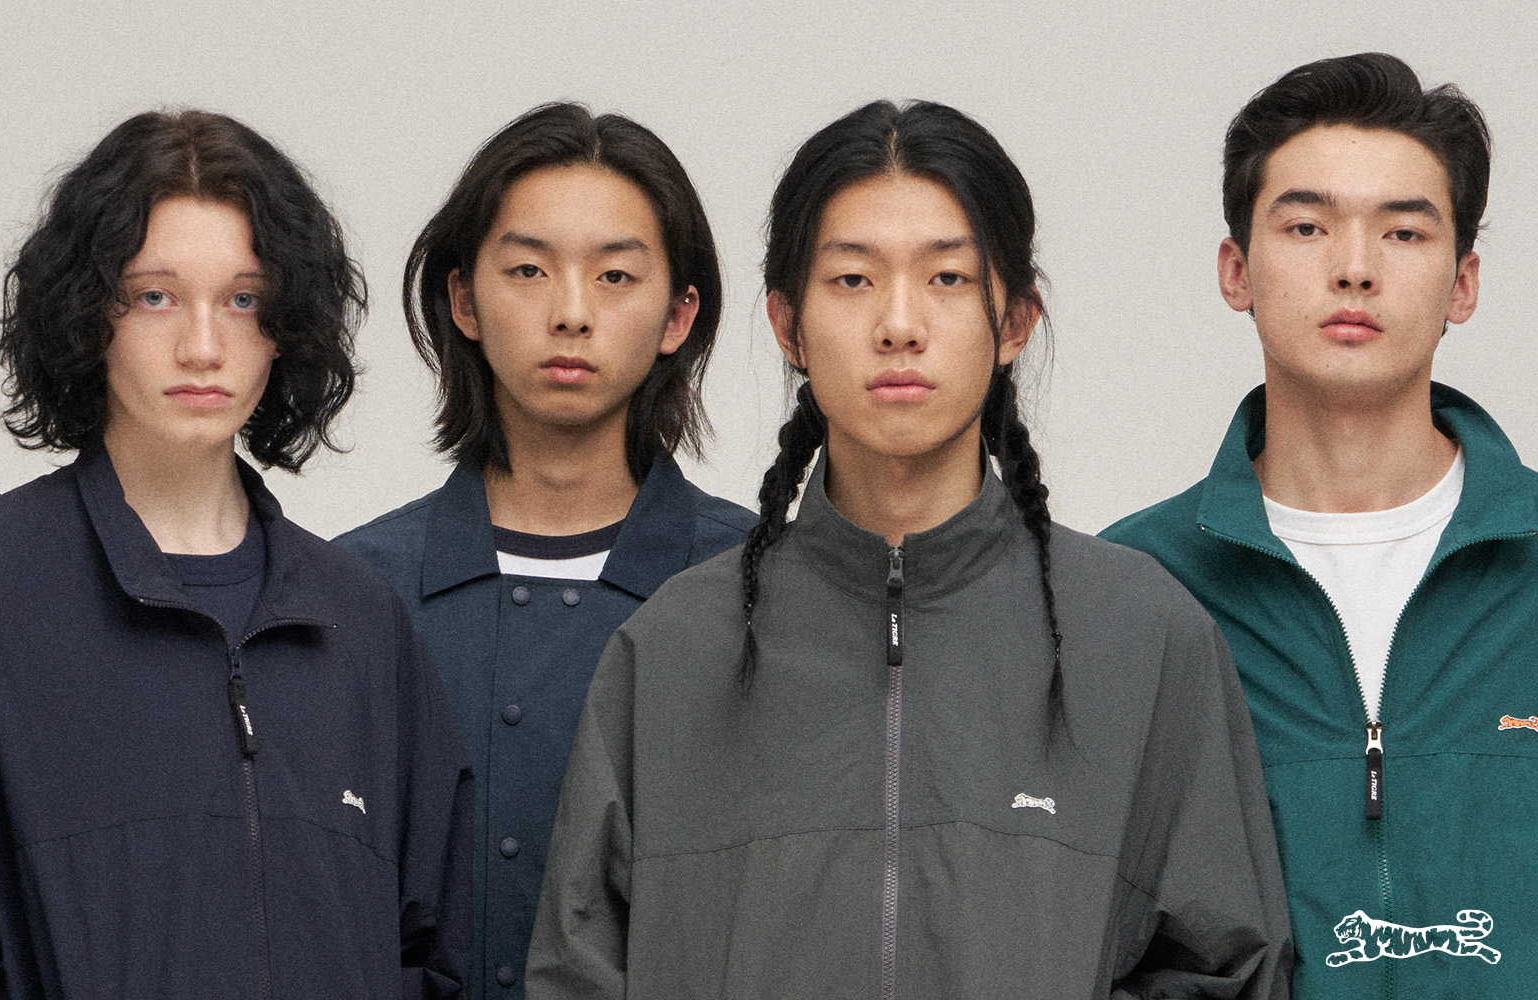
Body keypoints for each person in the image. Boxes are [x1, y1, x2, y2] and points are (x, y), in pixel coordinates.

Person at [526, 100, 1291, 999]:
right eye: (853, 279)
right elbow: (577, 972)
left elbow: (1226, 968)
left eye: (948, 278)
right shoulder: (673, 650)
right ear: (788, 324)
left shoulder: (1139, 636)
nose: (899, 324)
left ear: (1014, 322)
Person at [0, 109, 473, 999]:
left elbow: (436, 955)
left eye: (244, 299)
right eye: (156, 296)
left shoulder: (361, 623)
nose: (204, 346)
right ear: (88, 316)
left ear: (287, 325)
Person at [1102, 53, 1534, 997]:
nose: (1354, 268)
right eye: (1306, 226)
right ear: (1236, 270)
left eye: (1404, 232)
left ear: (1463, 284)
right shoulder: (1127, 593)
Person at [334, 102, 755, 998]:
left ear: (679, 314)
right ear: (464, 301)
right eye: (528, 270)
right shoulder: (354, 593)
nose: (571, 313)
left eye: (615, 276)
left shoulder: (761, 586)